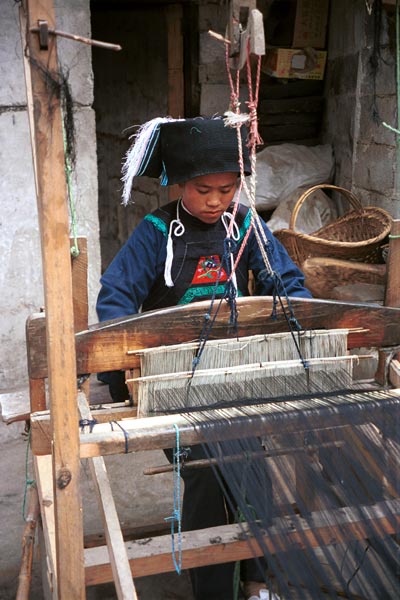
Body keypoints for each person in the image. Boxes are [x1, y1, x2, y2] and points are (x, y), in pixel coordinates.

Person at [96, 116, 311, 600]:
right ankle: (213, 586)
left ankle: (258, 581)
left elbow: (287, 281)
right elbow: (116, 299)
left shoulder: (245, 224)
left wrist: (295, 319)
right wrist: (125, 368)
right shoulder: (155, 232)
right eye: (203, 190)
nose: (216, 201)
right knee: (208, 465)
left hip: (235, 372)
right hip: (172, 383)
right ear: (178, 184)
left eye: (227, 189)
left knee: (252, 461)